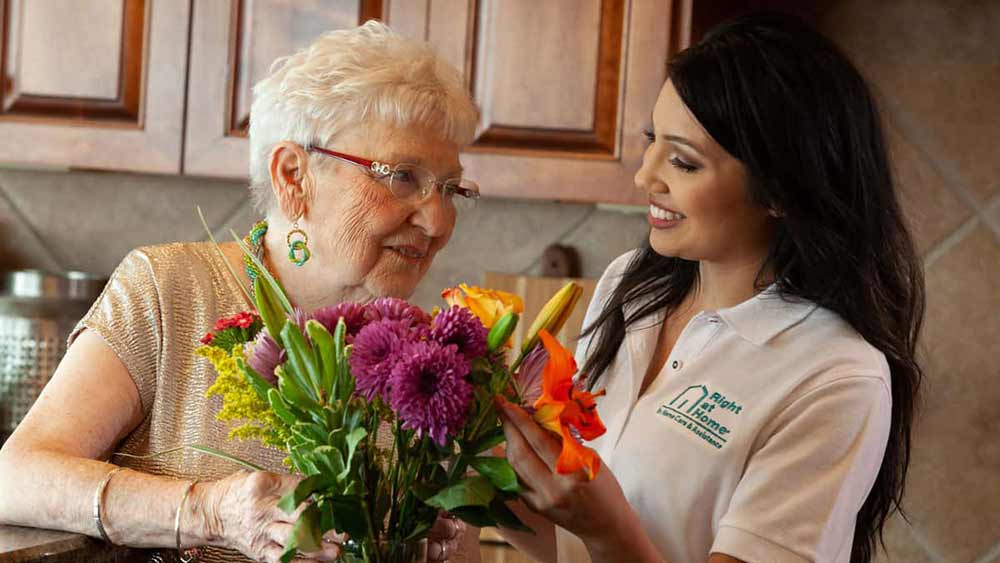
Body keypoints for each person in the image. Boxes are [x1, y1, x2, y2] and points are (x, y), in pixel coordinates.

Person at [0, 21, 483, 563]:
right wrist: (209, 513)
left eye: (450, 189)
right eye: (403, 176)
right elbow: (16, 477)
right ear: (293, 176)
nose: (438, 221)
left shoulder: (430, 363)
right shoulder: (168, 290)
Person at [495, 13, 924, 563]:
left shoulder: (837, 379)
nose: (645, 176)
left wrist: (608, 532)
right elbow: (568, 546)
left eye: (683, 161)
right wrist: (470, 465)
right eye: (652, 141)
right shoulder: (631, 285)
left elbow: (598, 537)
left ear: (780, 191)